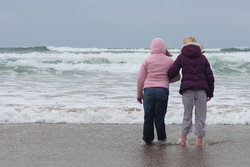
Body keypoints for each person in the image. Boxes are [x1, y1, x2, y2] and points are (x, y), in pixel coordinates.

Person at [168, 36, 214, 147]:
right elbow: (210, 76)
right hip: (202, 90)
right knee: (201, 116)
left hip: (187, 90)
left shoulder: (181, 57)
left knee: (187, 115)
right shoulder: (203, 57)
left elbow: (171, 72)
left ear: (184, 45)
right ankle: (199, 141)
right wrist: (210, 93)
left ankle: (183, 140)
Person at [137, 38, 179, 145]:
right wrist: (166, 80)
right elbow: (178, 77)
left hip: (148, 90)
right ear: (164, 48)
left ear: (152, 48)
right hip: (162, 90)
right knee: (160, 117)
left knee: (148, 116)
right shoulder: (169, 60)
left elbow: (140, 78)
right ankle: (162, 140)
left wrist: (139, 94)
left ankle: (147, 139)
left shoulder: (147, 60)